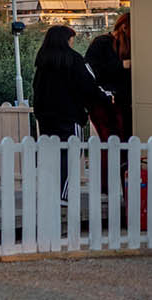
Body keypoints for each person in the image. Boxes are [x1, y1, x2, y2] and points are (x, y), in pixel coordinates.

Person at [33, 25, 111, 195]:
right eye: (71, 39)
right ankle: (63, 193)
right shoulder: (74, 59)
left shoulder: (43, 61)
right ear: (66, 40)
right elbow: (88, 85)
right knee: (71, 153)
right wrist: (105, 97)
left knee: (51, 154)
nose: (73, 42)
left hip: (46, 117)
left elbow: (36, 89)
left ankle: (50, 192)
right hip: (69, 115)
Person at [85, 13, 131, 142]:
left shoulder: (126, 44)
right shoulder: (102, 43)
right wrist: (122, 65)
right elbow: (92, 70)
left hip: (122, 102)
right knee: (113, 142)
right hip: (107, 103)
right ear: (124, 27)